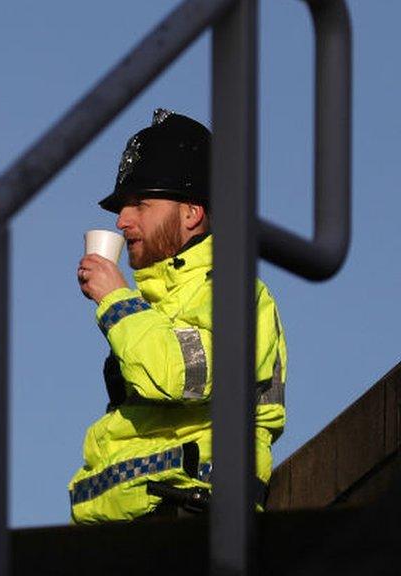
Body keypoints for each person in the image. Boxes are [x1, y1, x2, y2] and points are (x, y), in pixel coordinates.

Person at [68, 109, 286, 522]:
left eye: (140, 203)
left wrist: (116, 301)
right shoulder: (154, 307)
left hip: (192, 519)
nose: (122, 220)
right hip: (139, 524)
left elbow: (181, 376)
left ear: (191, 213)